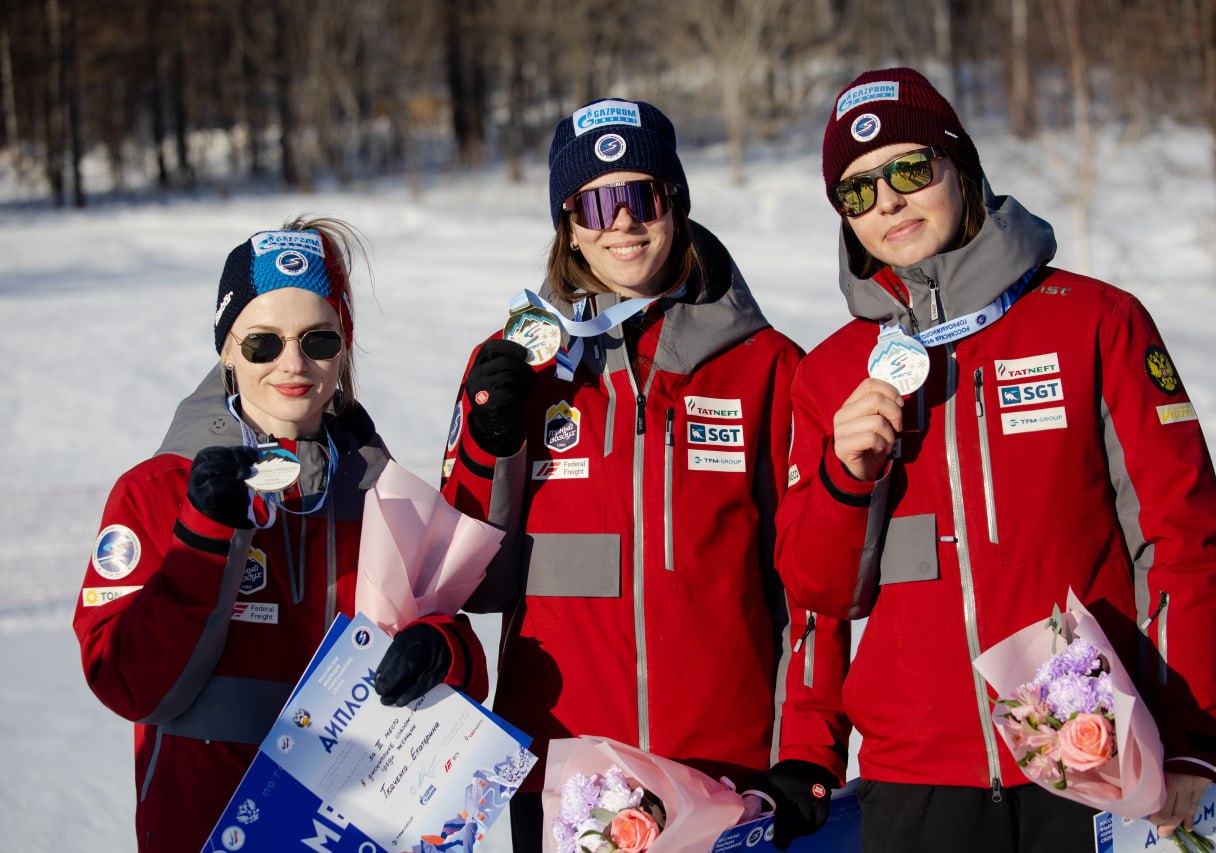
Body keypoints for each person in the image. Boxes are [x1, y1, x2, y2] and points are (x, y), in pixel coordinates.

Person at [775, 67, 1216, 852]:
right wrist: (844, 478)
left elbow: (1180, 537)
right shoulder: (828, 375)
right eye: (856, 192)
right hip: (917, 786)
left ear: (963, 166)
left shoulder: (1095, 321)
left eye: (910, 170)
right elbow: (819, 594)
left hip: (1095, 760)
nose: (886, 201)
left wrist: (1191, 734)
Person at [439, 98, 852, 851]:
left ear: (677, 204)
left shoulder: (767, 368)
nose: (622, 223)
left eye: (642, 196)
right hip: (567, 778)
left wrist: (807, 751)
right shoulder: (516, 370)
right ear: (568, 222)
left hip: (727, 772)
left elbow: (809, 586)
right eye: (596, 202)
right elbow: (471, 586)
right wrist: (488, 442)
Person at [72, 218, 487, 851]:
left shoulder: (382, 493)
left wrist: (443, 651)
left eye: (318, 340)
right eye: (263, 343)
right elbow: (126, 682)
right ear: (227, 349)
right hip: (203, 828)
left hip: (353, 829)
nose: (293, 364)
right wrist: (206, 535)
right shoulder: (156, 490)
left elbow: (458, 663)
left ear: (342, 348)